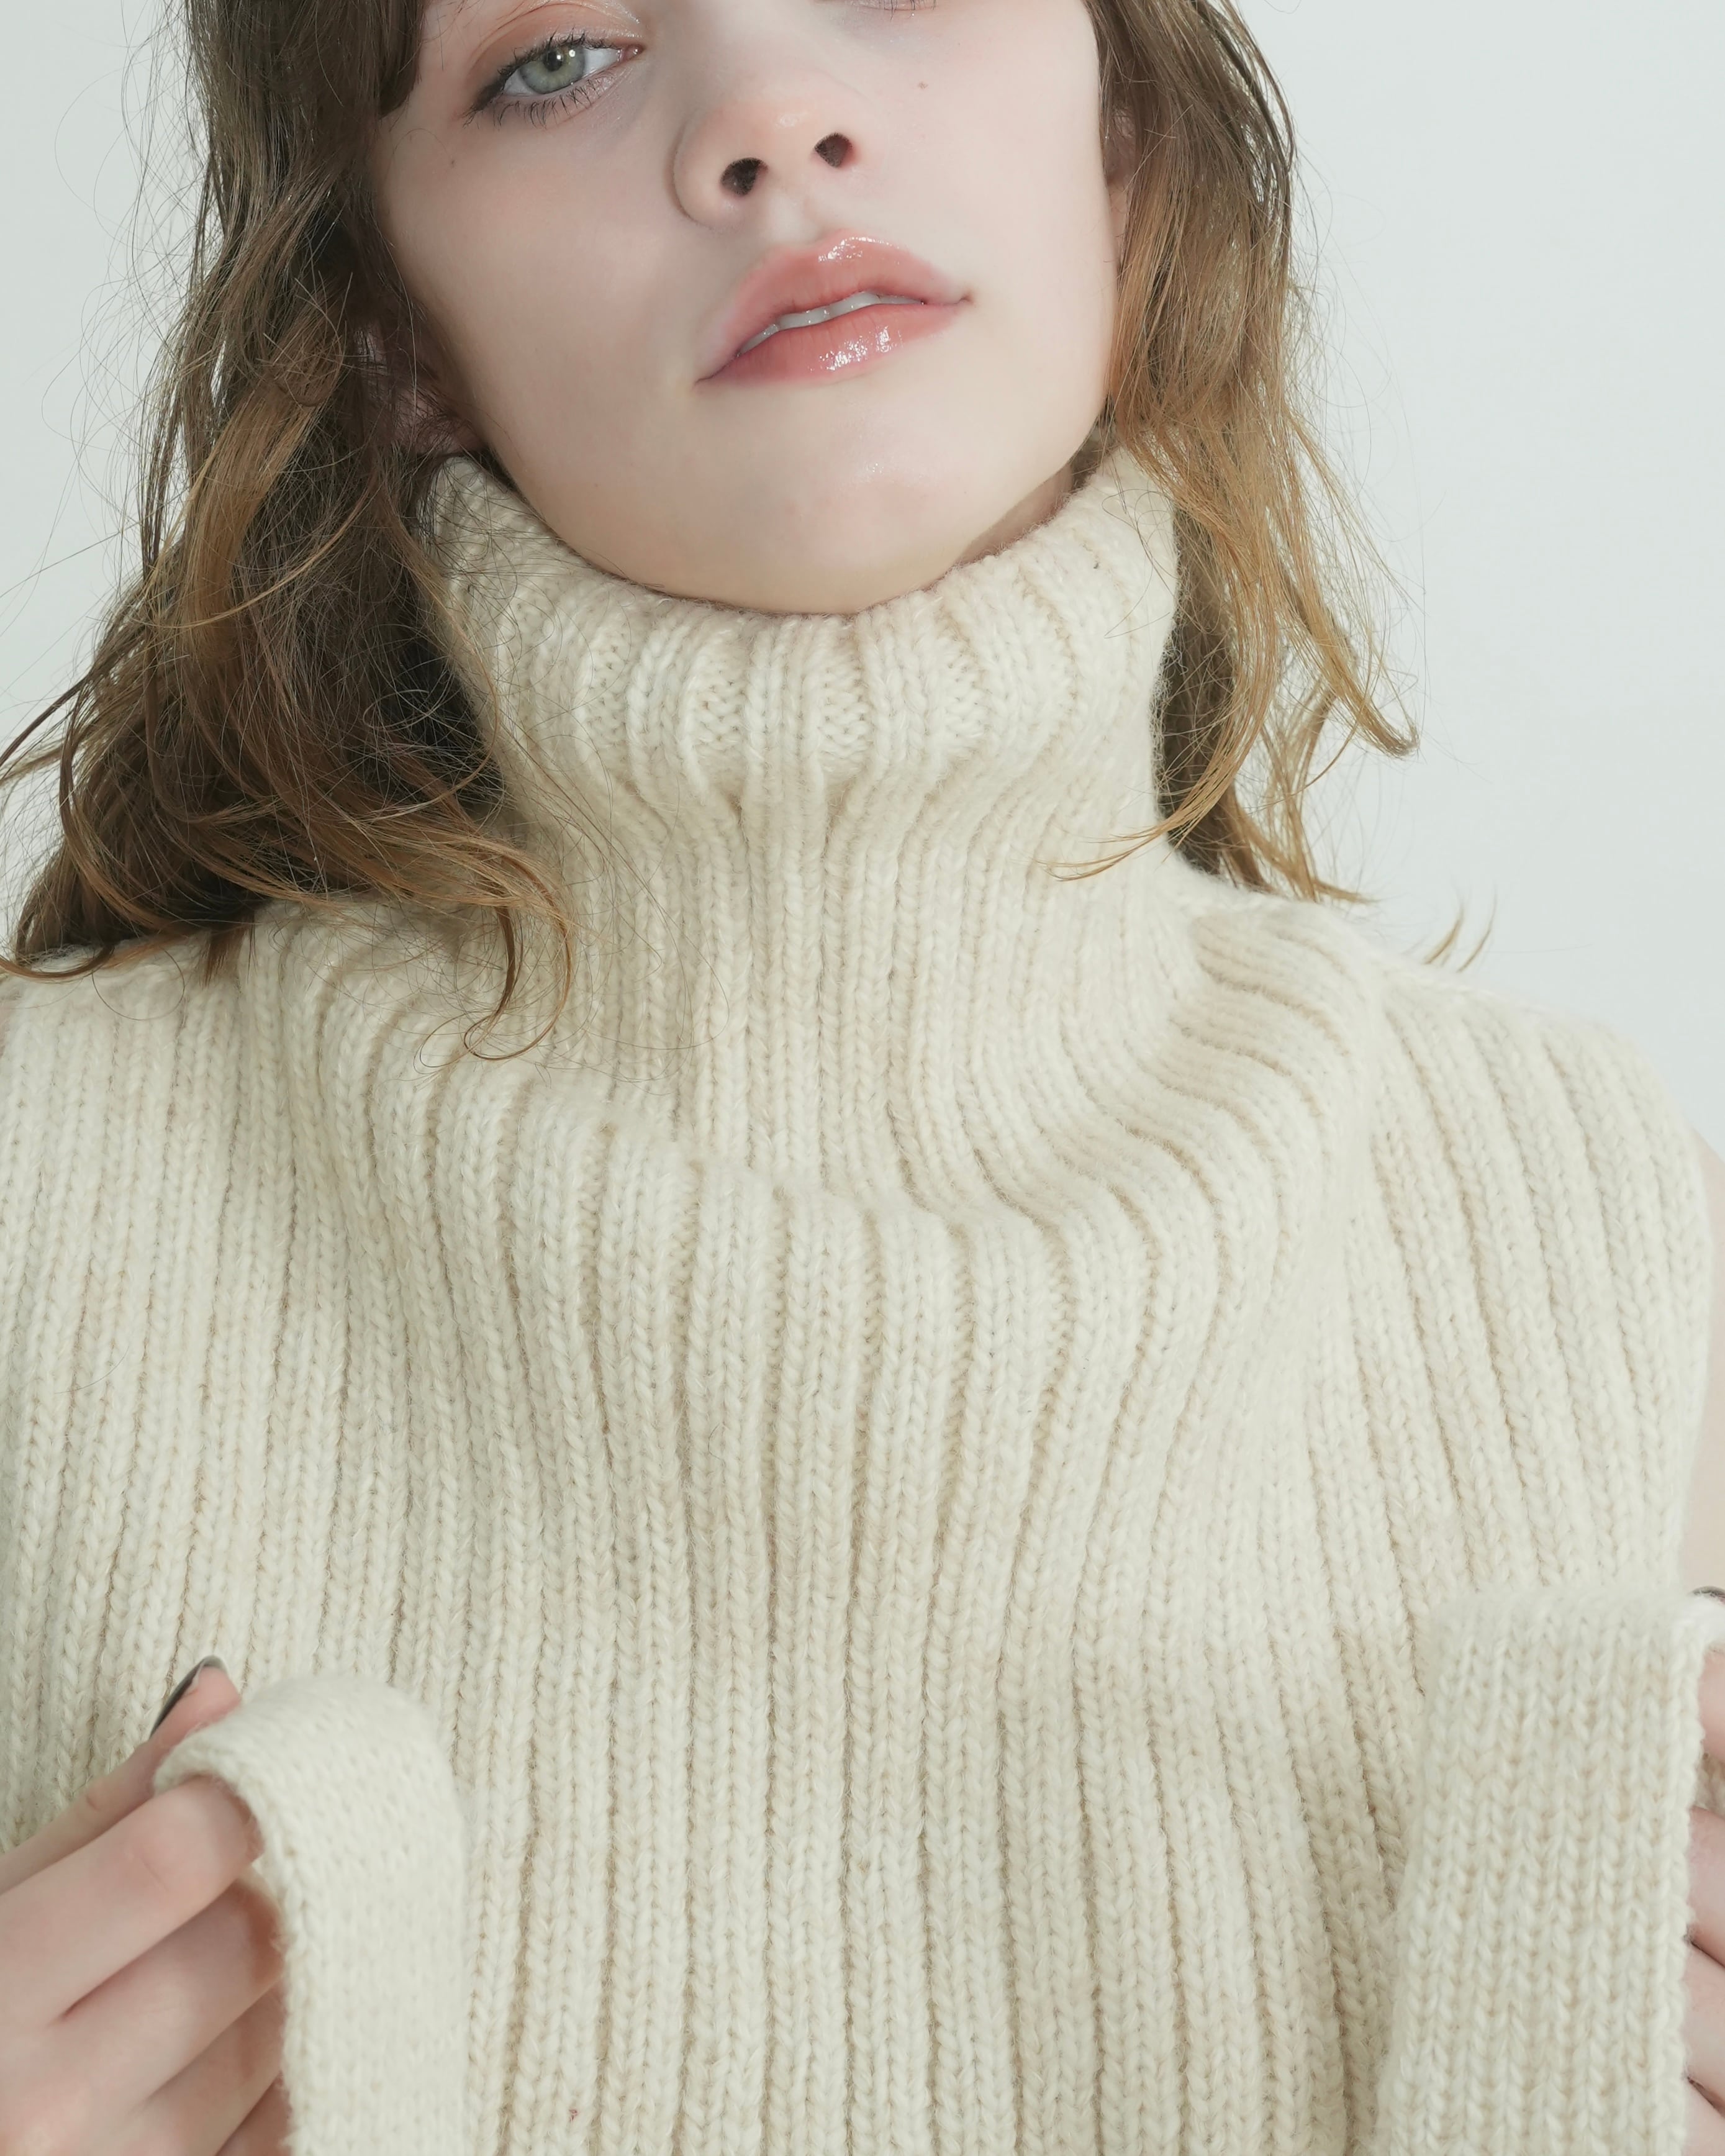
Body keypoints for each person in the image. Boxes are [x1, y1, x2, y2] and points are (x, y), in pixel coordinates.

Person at [1, 0, 1723, 2150]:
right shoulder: (34, 1195)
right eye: (555, 57)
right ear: (390, 333)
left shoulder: (1610, 1240)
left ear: (1126, 137)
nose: (771, 118)